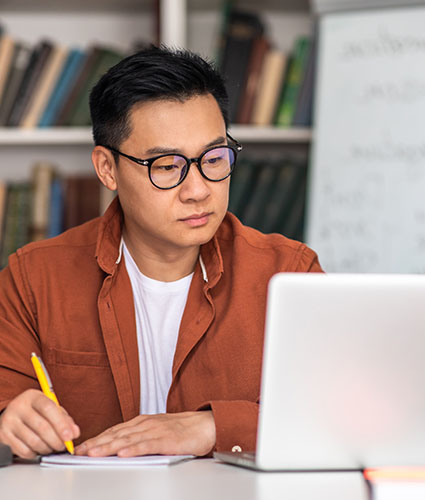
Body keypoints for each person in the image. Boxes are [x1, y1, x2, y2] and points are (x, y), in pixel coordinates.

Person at [0, 46, 323, 459]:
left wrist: (212, 427)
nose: (199, 190)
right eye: (168, 166)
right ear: (107, 169)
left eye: (214, 157)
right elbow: (6, 399)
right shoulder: (34, 278)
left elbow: (349, 413)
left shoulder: (288, 275)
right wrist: (9, 416)